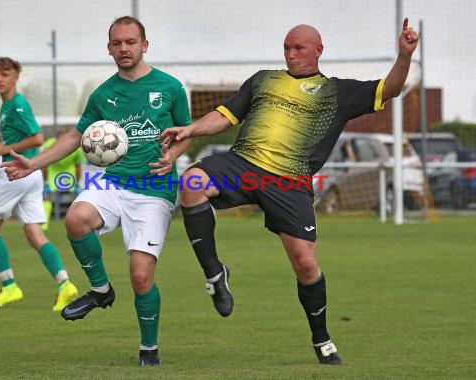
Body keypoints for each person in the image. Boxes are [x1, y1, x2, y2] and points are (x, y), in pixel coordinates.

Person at [159, 19, 419, 365]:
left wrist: (405, 56)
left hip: (289, 180)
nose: (291, 54)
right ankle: (214, 274)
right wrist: (190, 129)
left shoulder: (338, 92)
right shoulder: (263, 80)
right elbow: (223, 117)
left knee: (306, 264)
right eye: (286, 48)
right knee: (191, 183)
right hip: (244, 164)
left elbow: (391, 89)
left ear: (318, 51)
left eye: (298, 48)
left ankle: (322, 339)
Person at [1, 16, 192, 366]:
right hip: (114, 180)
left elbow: (186, 132)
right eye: (117, 43)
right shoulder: (103, 94)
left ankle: (149, 348)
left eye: (131, 42)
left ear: (144, 45)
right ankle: (101, 290)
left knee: (140, 274)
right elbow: (76, 136)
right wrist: (34, 163)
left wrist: (173, 155)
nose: (124, 48)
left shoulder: (170, 87)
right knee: (76, 219)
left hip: (154, 189)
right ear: (109, 48)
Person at [0, 57, 79, 311]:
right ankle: (65, 284)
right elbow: (8, 131)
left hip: (15, 173)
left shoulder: (17, 105)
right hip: (31, 176)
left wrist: (4, 149)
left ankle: (9, 287)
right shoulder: (8, 106)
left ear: (15, 77)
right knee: (34, 233)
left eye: (5, 75)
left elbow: (38, 138)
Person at [41, 129, 84, 232]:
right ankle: (43, 226)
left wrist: (78, 183)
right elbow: (44, 165)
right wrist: (45, 182)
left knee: (81, 199)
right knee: (47, 198)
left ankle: (81, 223)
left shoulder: (77, 146)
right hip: (56, 174)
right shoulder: (49, 144)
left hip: (68, 175)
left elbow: (78, 166)